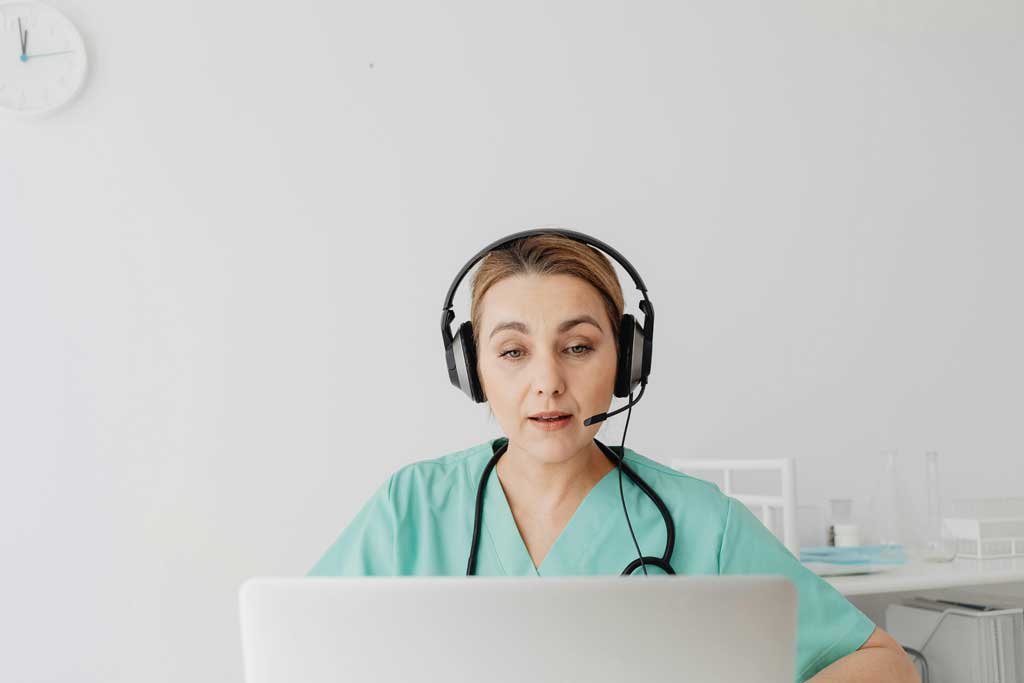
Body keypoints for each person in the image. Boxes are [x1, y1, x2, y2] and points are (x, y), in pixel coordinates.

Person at [307, 231, 919, 683]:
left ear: (627, 361)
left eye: (577, 346)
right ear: (471, 368)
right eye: (513, 352)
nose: (547, 381)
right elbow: (303, 655)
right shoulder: (410, 507)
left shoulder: (703, 523)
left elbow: (883, 664)